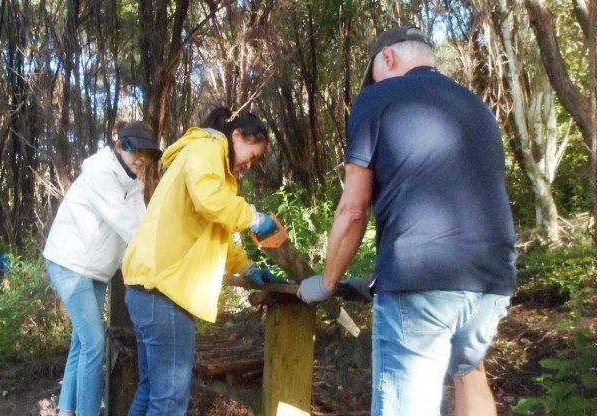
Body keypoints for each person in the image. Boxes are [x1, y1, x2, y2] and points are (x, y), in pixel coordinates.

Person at [297, 26, 517, 416]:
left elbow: (353, 209)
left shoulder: (377, 97)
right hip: (491, 279)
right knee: (470, 373)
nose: (375, 83)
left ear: (388, 56)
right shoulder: (475, 105)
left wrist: (326, 283)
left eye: (375, 74)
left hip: (420, 278)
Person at [121, 107, 281, 415]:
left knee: (151, 390)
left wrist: (246, 266)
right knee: (169, 401)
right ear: (237, 135)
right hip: (164, 289)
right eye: (252, 154)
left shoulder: (211, 164)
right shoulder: (207, 147)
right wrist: (252, 216)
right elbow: (210, 201)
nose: (250, 164)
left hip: (151, 286)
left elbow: (214, 230)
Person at [43, 120, 162, 416]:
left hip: (95, 269)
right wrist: (163, 257)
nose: (141, 159)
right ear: (120, 146)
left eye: (147, 154)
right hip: (70, 263)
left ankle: (66, 410)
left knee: (82, 343)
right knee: (94, 344)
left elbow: (145, 224)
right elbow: (128, 226)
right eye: (136, 151)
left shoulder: (132, 184)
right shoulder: (100, 173)